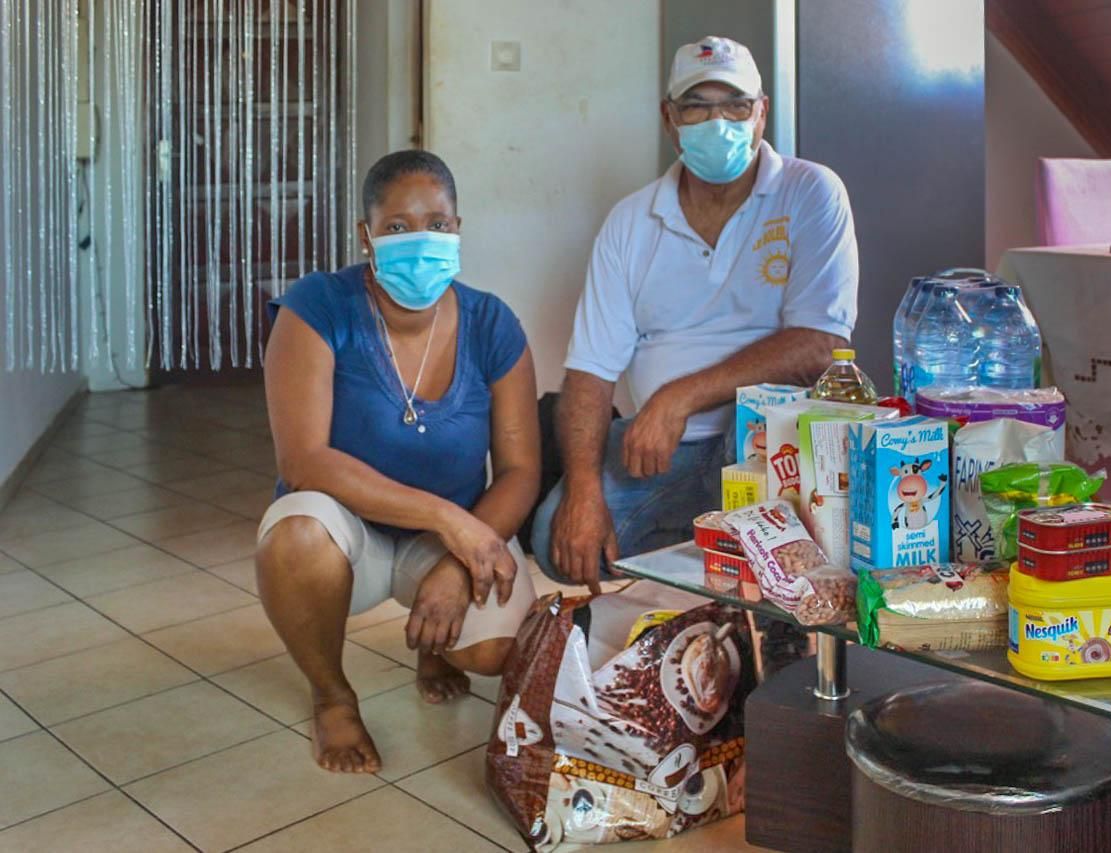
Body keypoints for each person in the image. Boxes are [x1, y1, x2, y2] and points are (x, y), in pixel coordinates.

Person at [532, 36, 859, 590]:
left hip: (763, 436)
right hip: (664, 450)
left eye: (735, 105)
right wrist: (584, 494)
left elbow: (819, 345)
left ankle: (734, 559)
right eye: (697, 107)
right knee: (555, 544)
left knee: (756, 482)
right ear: (669, 118)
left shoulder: (810, 192)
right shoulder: (631, 222)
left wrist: (678, 396)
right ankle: (720, 550)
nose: (718, 122)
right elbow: (590, 372)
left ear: (762, 111)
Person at [257, 149, 538, 774]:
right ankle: (332, 695)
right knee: (295, 533)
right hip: (346, 536)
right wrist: (451, 523)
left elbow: (520, 470)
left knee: (497, 650)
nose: (421, 240)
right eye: (398, 227)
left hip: (444, 541)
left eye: (438, 224)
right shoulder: (319, 307)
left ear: (459, 229)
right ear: (367, 235)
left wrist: (460, 563)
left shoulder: (492, 323)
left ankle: (435, 645)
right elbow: (303, 461)